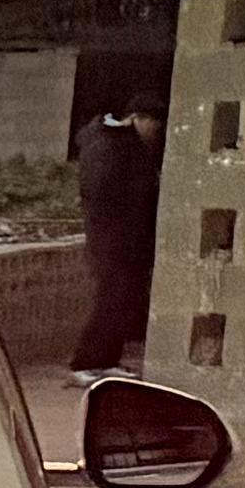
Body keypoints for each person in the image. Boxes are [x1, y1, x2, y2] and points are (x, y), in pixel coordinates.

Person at [73, 102, 165, 374]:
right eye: (153, 125)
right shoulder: (109, 145)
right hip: (114, 238)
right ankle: (86, 363)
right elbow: (102, 191)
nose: (155, 132)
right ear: (137, 118)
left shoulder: (126, 145)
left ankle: (106, 360)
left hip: (127, 238)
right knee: (109, 299)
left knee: (121, 300)